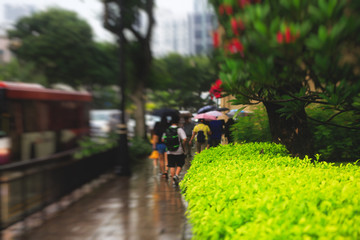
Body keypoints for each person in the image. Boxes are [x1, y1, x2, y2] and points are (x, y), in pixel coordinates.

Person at [164, 116, 187, 186]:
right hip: (179, 150)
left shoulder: (167, 130)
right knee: (180, 163)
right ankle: (176, 175)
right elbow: (185, 139)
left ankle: (173, 182)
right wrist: (183, 145)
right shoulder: (179, 129)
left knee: (171, 165)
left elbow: (163, 139)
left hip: (169, 151)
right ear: (177, 123)